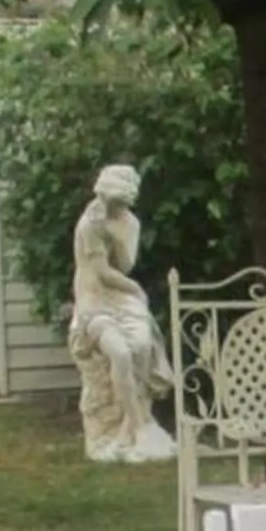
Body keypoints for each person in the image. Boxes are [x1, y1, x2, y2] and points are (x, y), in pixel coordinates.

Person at [68, 162, 176, 462]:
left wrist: (120, 233)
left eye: (117, 202)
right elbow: (101, 272)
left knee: (142, 345)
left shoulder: (130, 223)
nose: (108, 206)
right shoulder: (90, 224)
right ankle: (136, 428)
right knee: (120, 353)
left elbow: (125, 265)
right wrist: (137, 290)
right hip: (95, 300)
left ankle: (133, 425)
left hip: (121, 295)